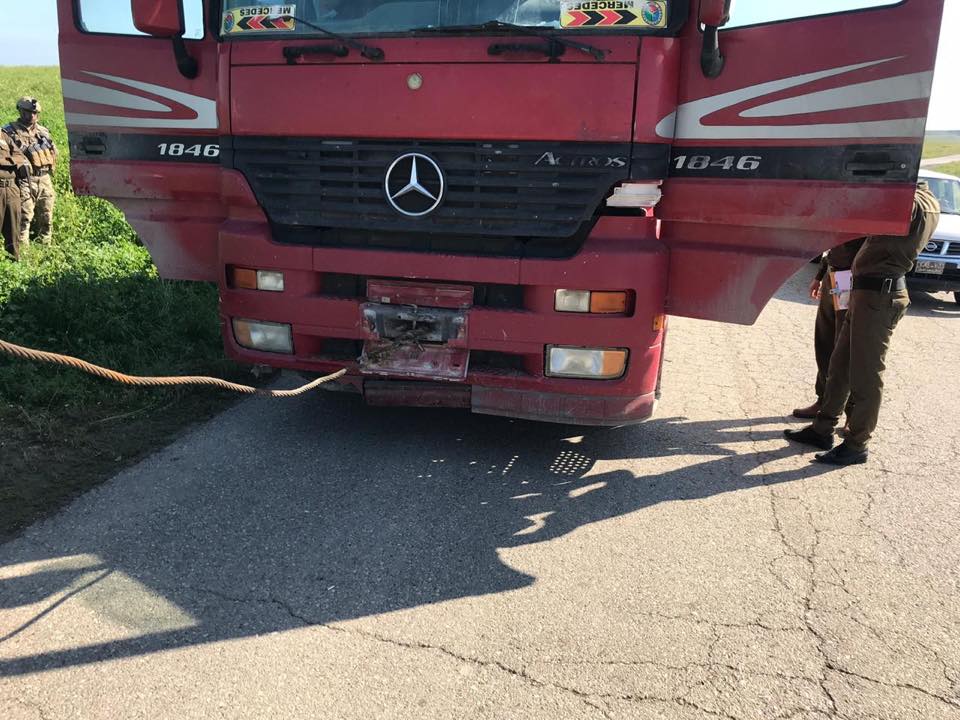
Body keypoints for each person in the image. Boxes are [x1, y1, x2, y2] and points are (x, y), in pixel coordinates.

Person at [784, 181, 941, 465]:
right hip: (858, 287)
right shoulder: (919, 198)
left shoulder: (912, 202)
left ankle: (856, 443)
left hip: (875, 292)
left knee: (864, 370)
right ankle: (823, 426)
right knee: (839, 360)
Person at [792, 237, 864, 420]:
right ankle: (823, 399)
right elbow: (833, 245)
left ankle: (851, 412)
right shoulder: (847, 210)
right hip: (835, 275)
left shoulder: (869, 213)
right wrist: (819, 275)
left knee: (843, 347)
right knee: (824, 340)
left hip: (848, 279)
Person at [4, 97, 57, 247]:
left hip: (45, 179)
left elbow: (53, 153)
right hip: (23, 181)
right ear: (20, 110)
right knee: (24, 218)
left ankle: (46, 249)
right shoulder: (8, 132)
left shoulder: (43, 131)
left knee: (47, 217)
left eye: (35, 113)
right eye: (27, 112)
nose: (31, 116)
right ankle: (23, 256)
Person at [0, 122, 28, 260]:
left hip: (12, 189)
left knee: (13, 230)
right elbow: (15, 159)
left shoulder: (4, 135)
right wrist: (11, 162)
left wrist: (4, 161)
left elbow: (20, 157)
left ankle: (13, 263)